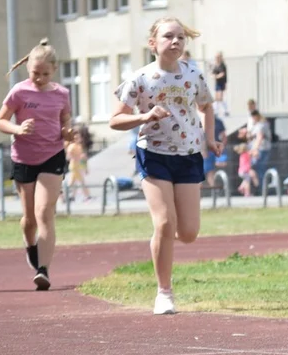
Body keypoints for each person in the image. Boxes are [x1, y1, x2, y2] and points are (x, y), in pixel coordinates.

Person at [110, 17, 221, 315]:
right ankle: (164, 293)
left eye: (181, 37)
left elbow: (207, 106)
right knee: (164, 223)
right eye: (169, 37)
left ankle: (161, 239)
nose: (176, 42)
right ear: (153, 43)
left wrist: (210, 139)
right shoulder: (141, 78)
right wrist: (144, 117)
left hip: (188, 155)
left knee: (188, 233)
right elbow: (115, 120)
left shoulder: (193, 73)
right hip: (153, 154)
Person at [0, 39, 72, 291]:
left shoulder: (62, 93)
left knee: (44, 212)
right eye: (35, 73)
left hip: (53, 155)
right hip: (24, 157)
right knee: (29, 219)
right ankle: (31, 246)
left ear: (54, 70)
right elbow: (0, 121)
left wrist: (68, 132)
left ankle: (43, 270)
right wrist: (18, 128)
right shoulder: (19, 91)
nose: (39, 78)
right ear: (28, 69)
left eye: (45, 74)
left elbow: (65, 121)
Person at [248, 110, 272, 196]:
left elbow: (259, 137)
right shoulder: (258, 125)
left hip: (260, 150)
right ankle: (260, 189)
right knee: (257, 169)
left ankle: (262, 190)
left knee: (259, 169)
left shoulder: (261, 125)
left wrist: (254, 150)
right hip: (260, 150)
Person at [65, 128, 92, 203]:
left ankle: (69, 196)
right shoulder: (72, 146)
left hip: (79, 166)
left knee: (72, 182)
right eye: (76, 138)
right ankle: (87, 196)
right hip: (74, 166)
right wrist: (78, 158)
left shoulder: (79, 146)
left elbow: (83, 159)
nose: (78, 139)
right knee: (81, 181)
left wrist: (86, 168)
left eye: (79, 137)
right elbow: (68, 157)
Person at [211, 52, 229, 117]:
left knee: (220, 98)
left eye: (218, 57)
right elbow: (212, 73)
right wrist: (214, 76)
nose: (217, 58)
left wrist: (216, 76)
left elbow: (222, 74)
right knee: (216, 98)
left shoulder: (222, 65)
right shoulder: (215, 65)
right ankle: (216, 111)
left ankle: (225, 111)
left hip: (222, 83)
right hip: (217, 83)